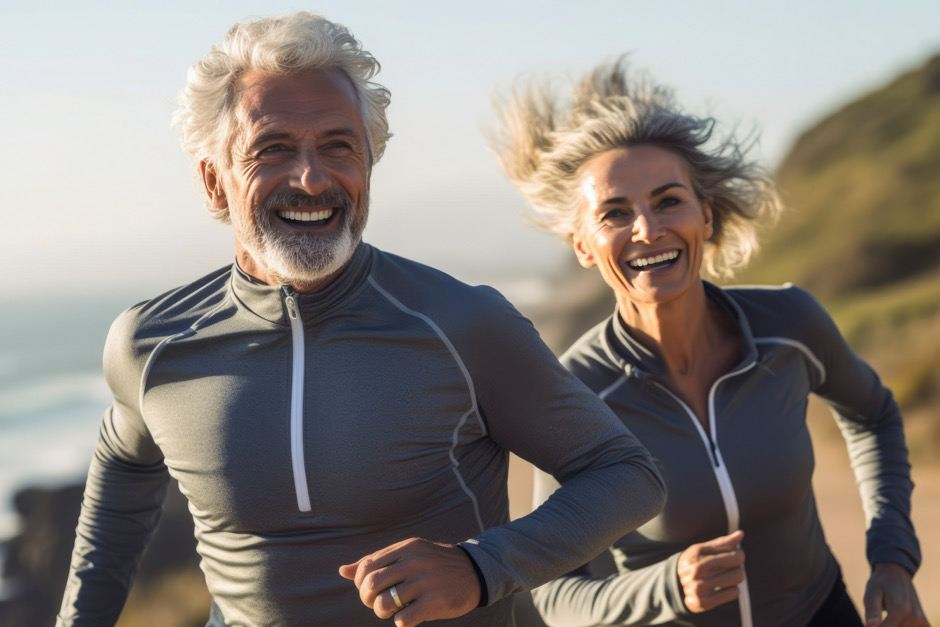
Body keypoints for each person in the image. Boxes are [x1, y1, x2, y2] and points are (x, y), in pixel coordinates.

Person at [55, 17, 668, 627]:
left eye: (338, 145)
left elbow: (626, 474)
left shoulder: (461, 323)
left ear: (369, 163)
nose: (313, 178)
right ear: (214, 180)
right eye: (273, 149)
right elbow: (116, 508)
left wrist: (482, 566)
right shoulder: (151, 344)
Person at [491, 58, 928, 627]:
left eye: (669, 200)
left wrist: (892, 557)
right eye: (615, 214)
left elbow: (873, 413)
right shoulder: (575, 395)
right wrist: (664, 587)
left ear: (708, 218)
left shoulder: (788, 325)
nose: (647, 229)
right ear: (583, 246)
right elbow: (555, 593)